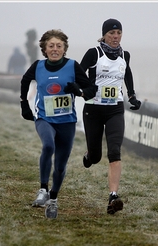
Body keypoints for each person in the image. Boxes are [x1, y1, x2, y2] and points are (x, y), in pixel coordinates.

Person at [20, 29, 97, 219]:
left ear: (64, 49)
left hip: (67, 122)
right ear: (45, 49)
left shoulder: (72, 66)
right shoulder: (38, 66)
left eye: (59, 46)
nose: (55, 49)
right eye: (51, 46)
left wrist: (78, 90)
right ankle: (43, 189)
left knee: (61, 166)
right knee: (48, 145)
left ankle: (53, 199)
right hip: (44, 118)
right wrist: (24, 104)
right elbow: (24, 80)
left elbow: (91, 90)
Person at [79, 18, 141, 215]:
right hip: (93, 110)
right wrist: (84, 90)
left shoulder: (125, 55)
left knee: (114, 151)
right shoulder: (93, 53)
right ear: (104, 35)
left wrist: (131, 95)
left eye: (119, 33)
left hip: (115, 109)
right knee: (96, 156)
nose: (115, 37)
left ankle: (113, 196)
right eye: (111, 33)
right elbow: (78, 74)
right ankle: (89, 155)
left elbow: (127, 73)